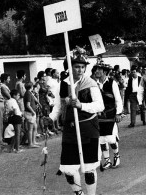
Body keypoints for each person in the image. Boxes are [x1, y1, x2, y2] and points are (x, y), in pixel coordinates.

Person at [50, 46, 104, 195]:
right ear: (70, 67)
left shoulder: (90, 84)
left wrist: (81, 105)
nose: (80, 70)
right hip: (70, 130)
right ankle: (78, 193)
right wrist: (50, 118)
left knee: (89, 169)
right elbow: (58, 106)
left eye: (82, 67)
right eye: (77, 67)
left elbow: (100, 106)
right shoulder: (62, 84)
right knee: (68, 169)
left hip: (88, 128)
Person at [94, 59, 123, 170]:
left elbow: (118, 100)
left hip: (111, 114)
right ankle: (106, 159)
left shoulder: (112, 83)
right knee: (101, 138)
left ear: (105, 72)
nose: (96, 71)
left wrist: (119, 113)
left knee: (110, 138)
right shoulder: (94, 83)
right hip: (99, 115)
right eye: (96, 69)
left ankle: (116, 155)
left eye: (99, 69)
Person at [24, 81, 40, 148]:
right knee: (30, 128)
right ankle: (30, 143)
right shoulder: (28, 93)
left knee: (34, 127)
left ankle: (33, 141)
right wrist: (33, 111)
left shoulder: (29, 93)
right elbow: (28, 105)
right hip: (30, 113)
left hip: (32, 112)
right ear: (31, 87)